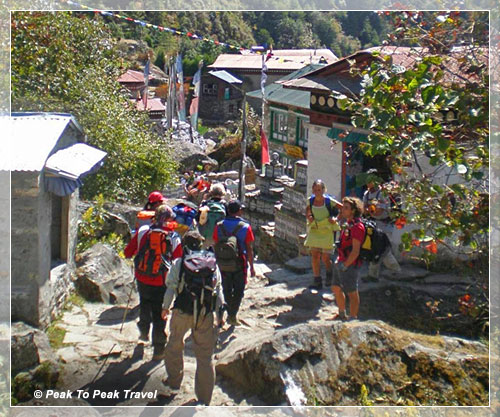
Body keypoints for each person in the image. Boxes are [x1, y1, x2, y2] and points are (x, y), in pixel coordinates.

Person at [161, 231, 224, 405]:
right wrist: (220, 314)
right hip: (205, 314)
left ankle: (174, 382)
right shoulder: (212, 264)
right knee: (205, 356)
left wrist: (165, 308)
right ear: (201, 244)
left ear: (184, 245)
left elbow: (171, 287)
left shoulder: (179, 263)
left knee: (174, 345)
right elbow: (218, 289)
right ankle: (204, 398)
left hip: (182, 311)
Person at [124, 204, 182, 360]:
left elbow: (128, 252)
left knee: (145, 303)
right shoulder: (174, 237)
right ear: (170, 219)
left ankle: (143, 332)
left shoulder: (143, 232)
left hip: (143, 277)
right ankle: (158, 349)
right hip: (163, 280)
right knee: (160, 312)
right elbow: (178, 260)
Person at [212, 199, 255, 326]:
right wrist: (252, 267)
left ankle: (227, 310)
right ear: (239, 211)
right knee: (238, 290)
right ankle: (232, 314)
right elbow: (249, 248)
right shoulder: (246, 227)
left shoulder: (219, 226)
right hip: (239, 264)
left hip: (222, 264)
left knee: (226, 288)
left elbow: (215, 244)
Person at [362, 169, 401, 281]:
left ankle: (395, 271)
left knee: (383, 251)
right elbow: (366, 210)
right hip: (374, 225)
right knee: (376, 250)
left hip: (385, 225)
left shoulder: (382, 194)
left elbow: (378, 212)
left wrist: (370, 210)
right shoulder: (367, 194)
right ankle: (374, 275)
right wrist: (371, 210)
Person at [331, 197, 365, 321]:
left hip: (350, 263)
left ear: (353, 211)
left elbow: (355, 251)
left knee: (351, 291)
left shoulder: (357, 227)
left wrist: (345, 265)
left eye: (346, 208)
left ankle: (353, 317)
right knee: (336, 287)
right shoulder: (347, 224)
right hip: (341, 260)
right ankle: (341, 313)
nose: (343, 210)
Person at [304, 179, 341, 290]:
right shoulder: (310, 201)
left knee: (325, 257)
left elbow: (343, 208)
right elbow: (307, 210)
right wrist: (309, 217)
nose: (317, 192)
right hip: (315, 229)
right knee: (315, 255)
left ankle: (329, 273)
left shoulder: (329, 201)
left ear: (324, 190)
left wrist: (335, 219)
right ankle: (317, 280)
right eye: (315, 190)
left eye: (319, 189)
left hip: (327, 231)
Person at [198, 183, 227, 250]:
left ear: (211, 192)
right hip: (220, 235)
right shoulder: (224, 205)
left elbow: (198, 218)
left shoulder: (205, 203)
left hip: (205, 235)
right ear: (222, 192)